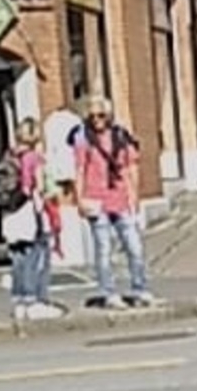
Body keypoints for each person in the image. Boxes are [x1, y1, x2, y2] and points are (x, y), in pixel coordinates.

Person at [71, 96, 152, 309]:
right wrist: (79, 199)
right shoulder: (83, 139)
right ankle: (109, 292)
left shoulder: (120, 136)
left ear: (109, 116)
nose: (97, 120)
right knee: (103, 249)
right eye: (92, 116)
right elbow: (79, 170)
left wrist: (134, 197)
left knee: (134, 247)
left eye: (101, 115)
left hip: (120, 198)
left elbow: (130, 167)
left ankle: (140, 288)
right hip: (96, 200)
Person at [0, 119, 63, 321]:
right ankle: (34, 300)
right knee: (36, 257)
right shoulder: (34, 158)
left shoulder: (9, 156)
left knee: (17, 259)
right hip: (30, 213)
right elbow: (39, 187)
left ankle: (19, 301)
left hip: (11, 214)